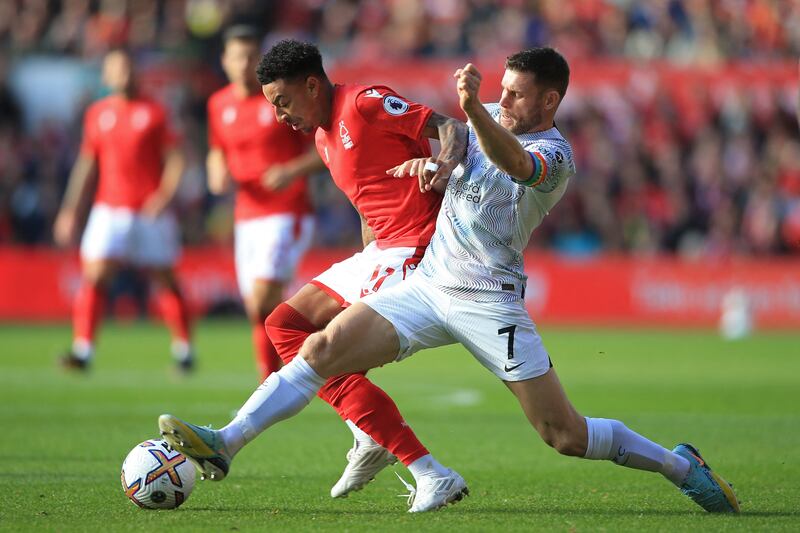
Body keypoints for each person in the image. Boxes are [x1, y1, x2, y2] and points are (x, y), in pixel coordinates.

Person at [160, 47, 741, 514]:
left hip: (490, 303)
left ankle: (679, 466)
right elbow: (456, 148)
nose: (502, 98)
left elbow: (514, 164)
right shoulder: (481, 125)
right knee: (320, 345)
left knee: (564, 434)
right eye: (500, 89)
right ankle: (228, 441)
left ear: (551, 99)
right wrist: (434, 167)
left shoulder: (554, 155)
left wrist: (473, 112)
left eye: (515, 92)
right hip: (427, 284)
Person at [161, 39, 470, 509]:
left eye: (283, 102)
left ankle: (229, 441)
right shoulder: (323, 137)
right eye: (273, 107)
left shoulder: (365, 104)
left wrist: (444, 166)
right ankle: (367, 433)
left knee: (323, 353)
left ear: (311, 84)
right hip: (380, 251)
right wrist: (366, 262)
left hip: (416, 248)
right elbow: (369, 200)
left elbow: (451, 127)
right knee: (283, 324)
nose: (280, 116)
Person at [55, 48, 195, 372]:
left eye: (129, 68)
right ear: (106, 75)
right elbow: (87, 164)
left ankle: (184, 350)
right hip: (108, 208)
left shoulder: (156, 111)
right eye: (118, 69)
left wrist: (164, 195)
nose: (125, 74)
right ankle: (83, 349)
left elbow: (176, 157)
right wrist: (70, 210)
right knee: (95, 275)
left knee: (165, 279)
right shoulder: (98, 114)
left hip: (149, 211)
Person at [207, 26, 321, 379]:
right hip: (247, 216)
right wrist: (215, 172)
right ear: (225, 61)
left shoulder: (280, 100)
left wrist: (291, 170)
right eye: (237, 56)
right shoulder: (218, 104)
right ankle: (272, 380)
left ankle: (321, 355)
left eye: (251, 56)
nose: (244, 64)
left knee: (261, 300)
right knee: (258, 309)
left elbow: (324, 146)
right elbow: (216, 151)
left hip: (287, 212)